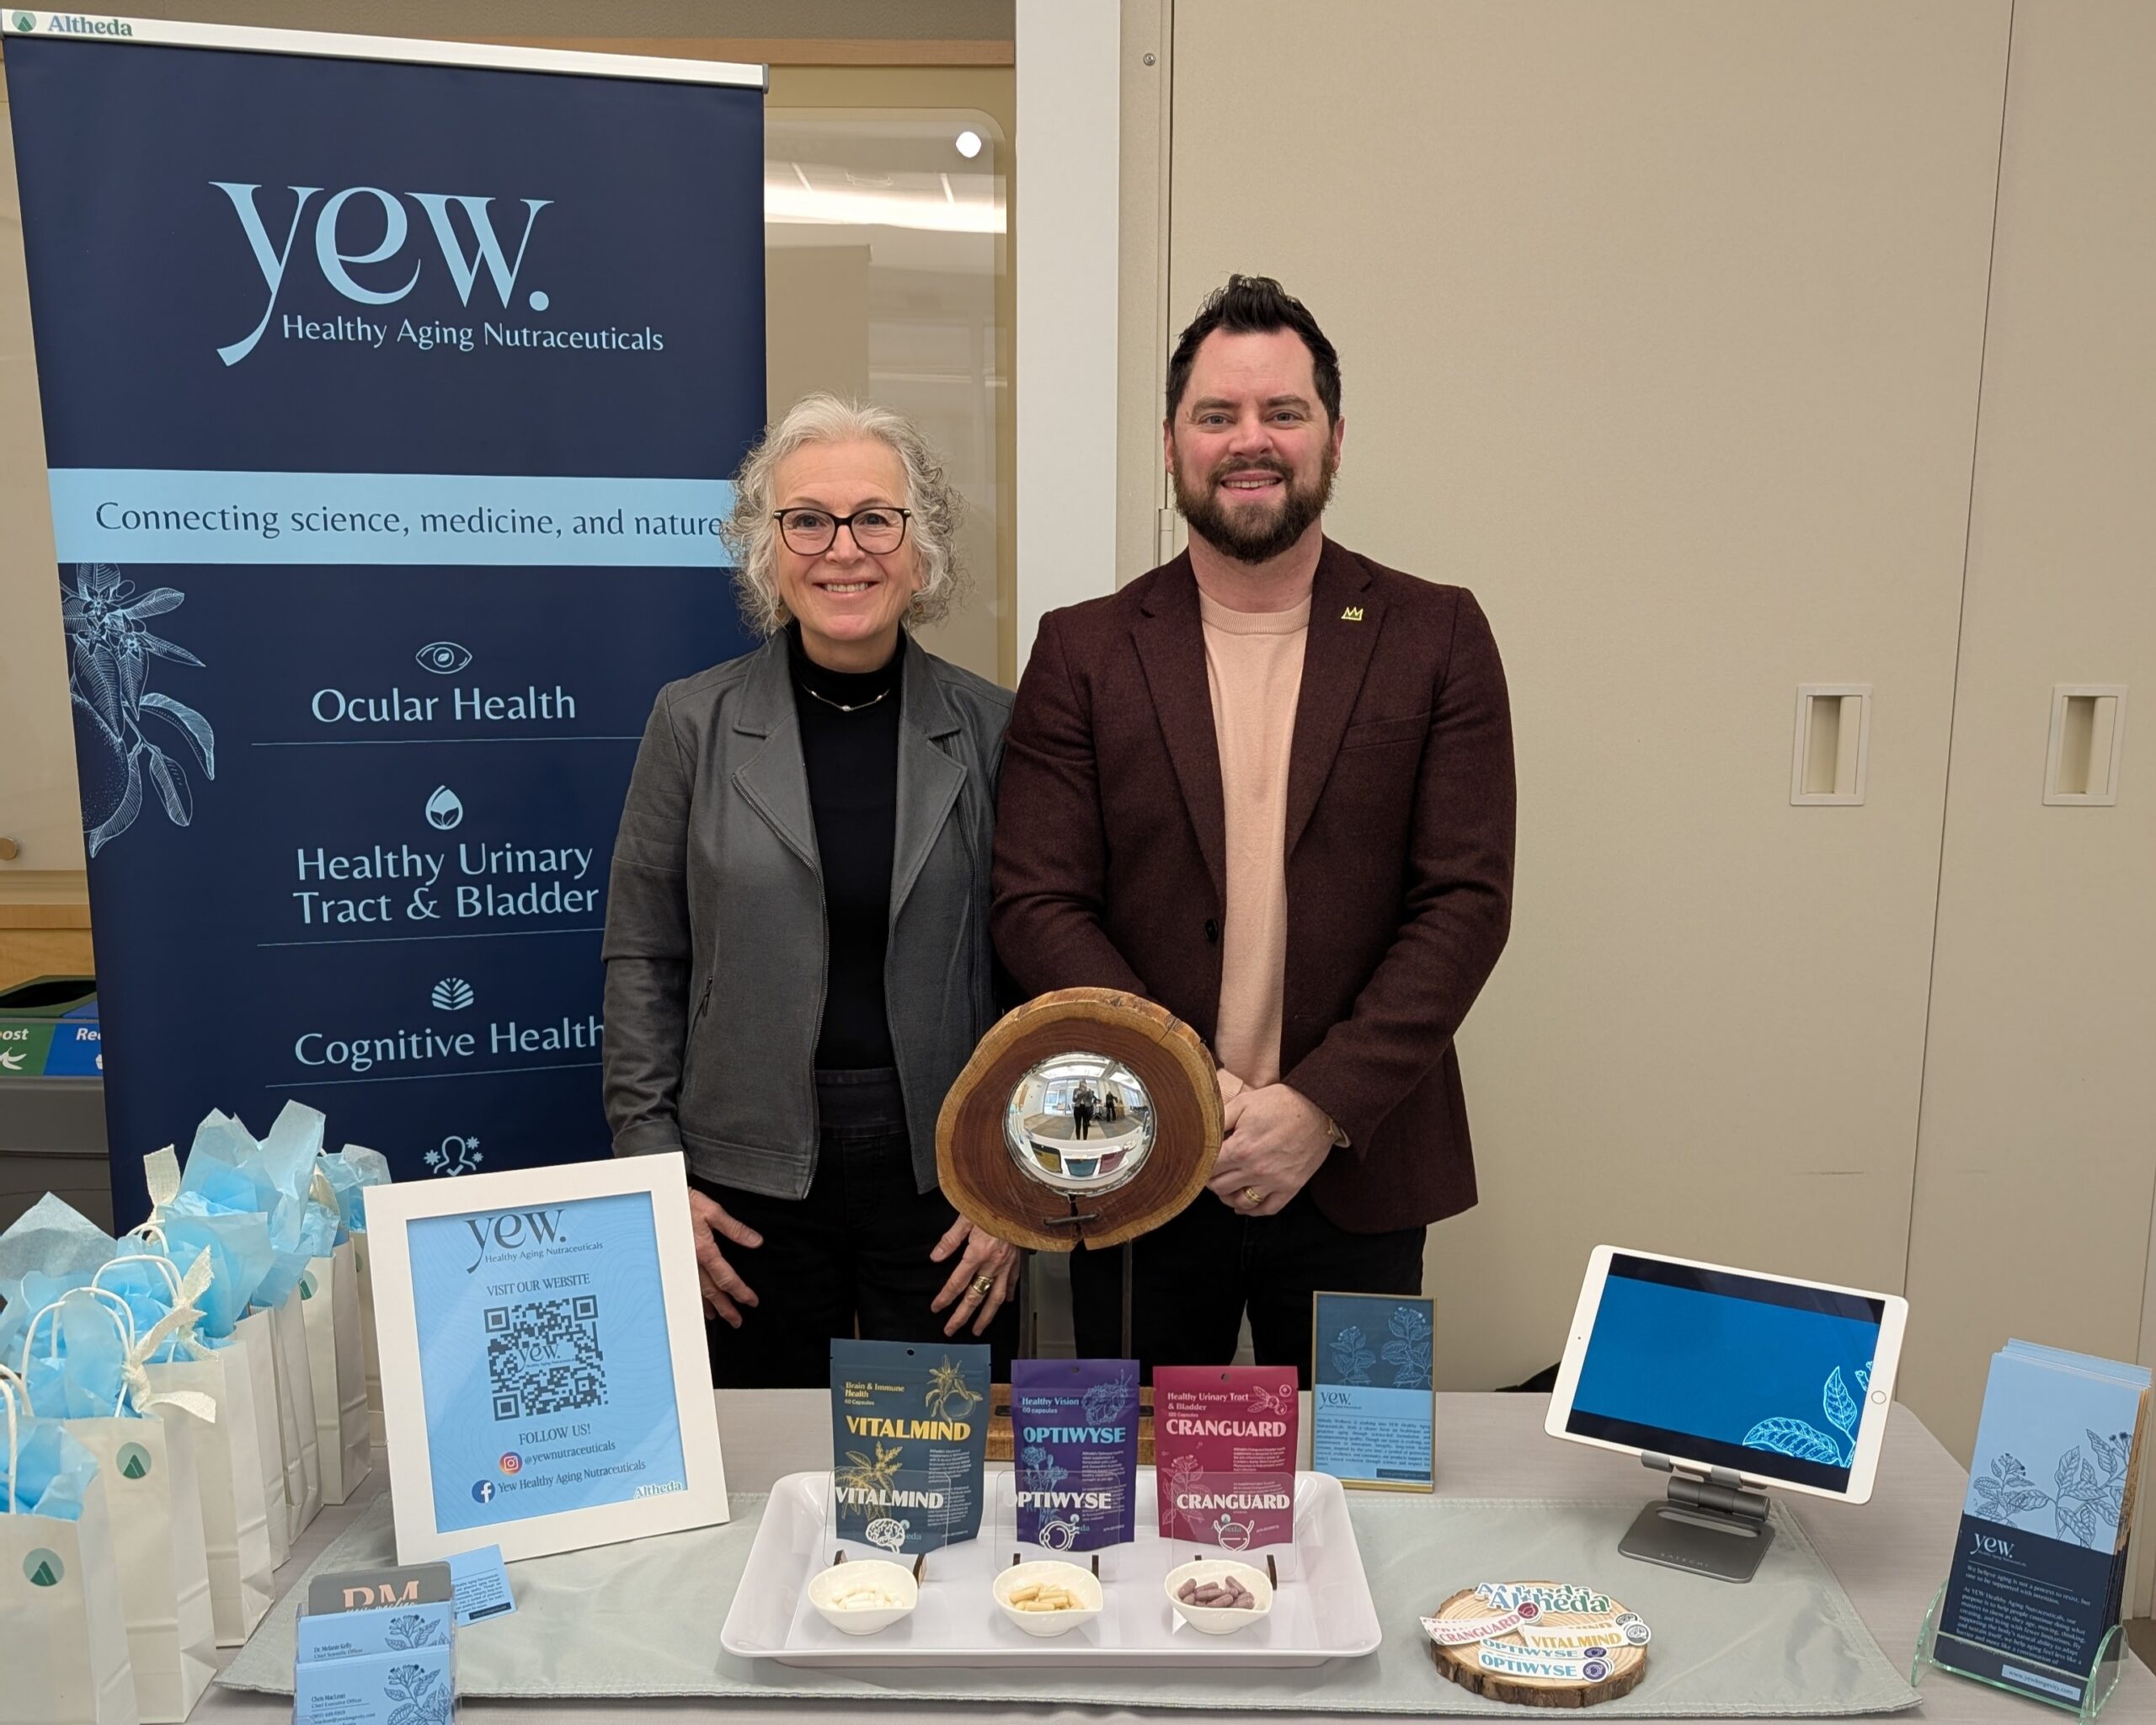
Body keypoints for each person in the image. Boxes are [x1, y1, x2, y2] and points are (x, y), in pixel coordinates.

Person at [992, 275, 1516, 1380]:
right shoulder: (1084, 651)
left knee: (1362, 1486)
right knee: (1123, 1503)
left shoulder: (1437, 634)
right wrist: (1189, 1086)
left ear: (1334, 436)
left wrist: (1318, 1107)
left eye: (1283, 412)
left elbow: (1464, 901)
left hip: (1360, 1164)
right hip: (1136, 1151)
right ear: (1172, 442)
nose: (1251, 441)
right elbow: (1037, 903)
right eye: (1217, 415)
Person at [604, 393, 1022, 1386]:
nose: (845, 549)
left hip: (947, 1180)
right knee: (766, 1477)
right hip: (741, 1180)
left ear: (921, 550)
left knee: (947, 1482)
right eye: (808, 519)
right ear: (767, 548)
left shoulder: (994, 727)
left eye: (877, 517)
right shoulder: (691, 724)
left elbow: (1030, 976)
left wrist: (1016, 1189)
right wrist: (655, 1176)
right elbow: (643, 958)